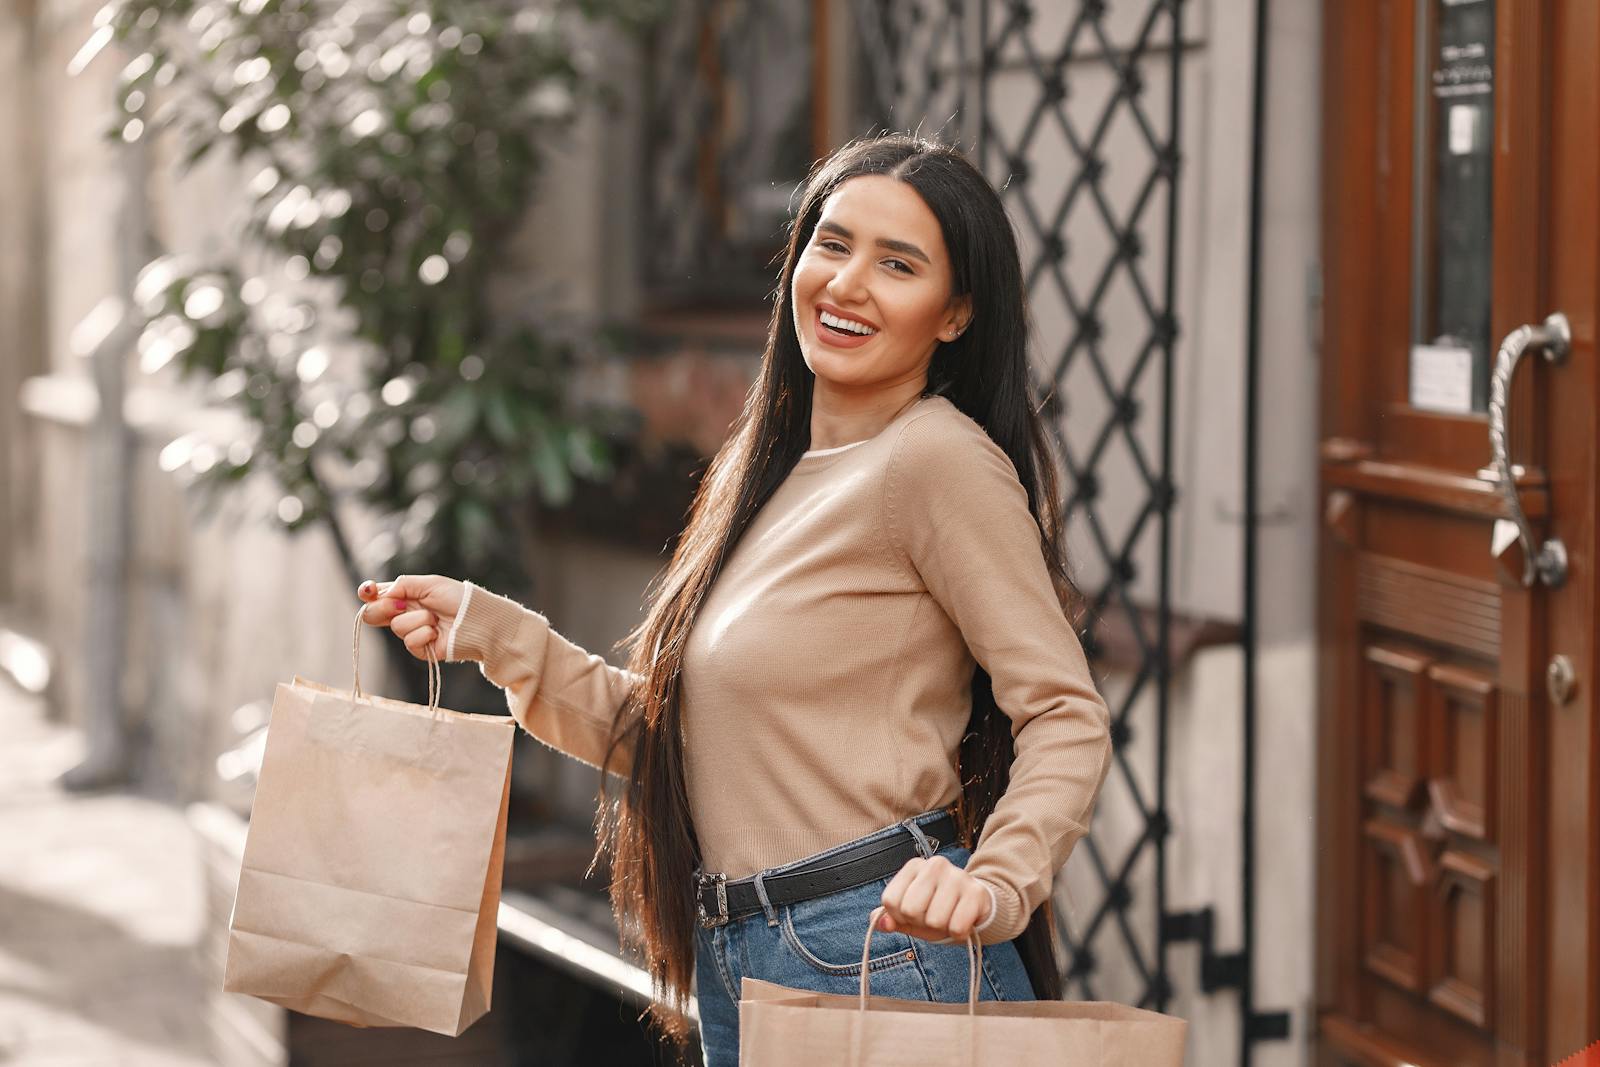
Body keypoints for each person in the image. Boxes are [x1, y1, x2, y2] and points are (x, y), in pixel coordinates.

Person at [357, 132, 1113, 1067]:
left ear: (953, 314)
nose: (847, 283)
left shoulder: (936, 460)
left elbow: (1065, 713)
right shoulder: (770, 475)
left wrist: (998, 879)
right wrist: (494, 634)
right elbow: (676, 744)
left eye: (899, 264)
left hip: (873, 952)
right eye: (831, 245)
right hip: (746, 958)